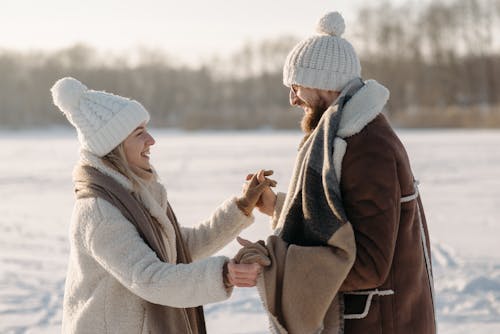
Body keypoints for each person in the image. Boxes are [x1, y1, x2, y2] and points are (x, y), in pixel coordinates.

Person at [241, 11, 436, 334]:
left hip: (378, 324)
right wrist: (278, 206)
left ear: (324, 84)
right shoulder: (345, 138)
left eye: (297, 86)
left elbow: (369, 264)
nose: (292, 99)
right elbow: (344, 217)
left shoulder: (367, 148)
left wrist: (279, 264)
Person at [51, 77, 275, 334]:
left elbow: (179, 246)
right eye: (139, 133)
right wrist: (223, 274)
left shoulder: (133, 193)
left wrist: (242, 206)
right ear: (115, 147)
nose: (151, 140)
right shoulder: (99, 211)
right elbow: (149, 277)